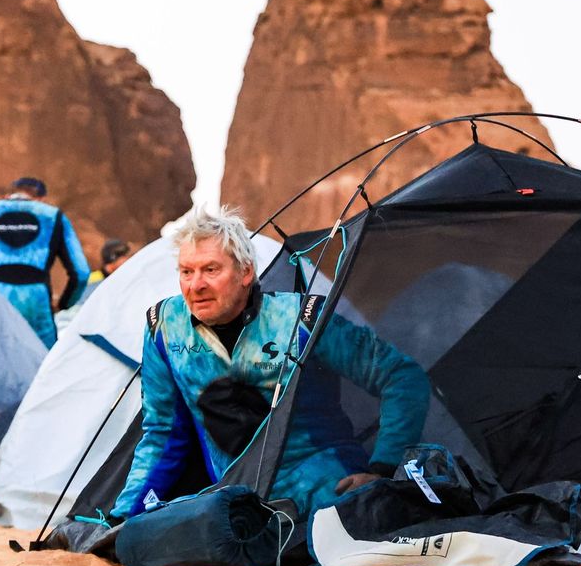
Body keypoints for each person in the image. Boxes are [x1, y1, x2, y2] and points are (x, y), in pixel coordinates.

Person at [112, 205, 430, 522]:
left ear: (246, 272)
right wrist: (126, 515)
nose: (196, 286)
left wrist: (382, 472)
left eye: (211, 270)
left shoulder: (302, 320)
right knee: (150, 535)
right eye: (186, 272)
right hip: (238, 502)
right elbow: (162, 432)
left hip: (325, 494)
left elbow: (402, 377)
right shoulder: (165, 328)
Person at [0, 176, 91, 347]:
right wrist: (64, 303)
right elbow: (81, 272)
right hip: (36, 300)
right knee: (42, 365)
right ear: (41, 198)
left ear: (8, 195)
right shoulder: (53, 216)